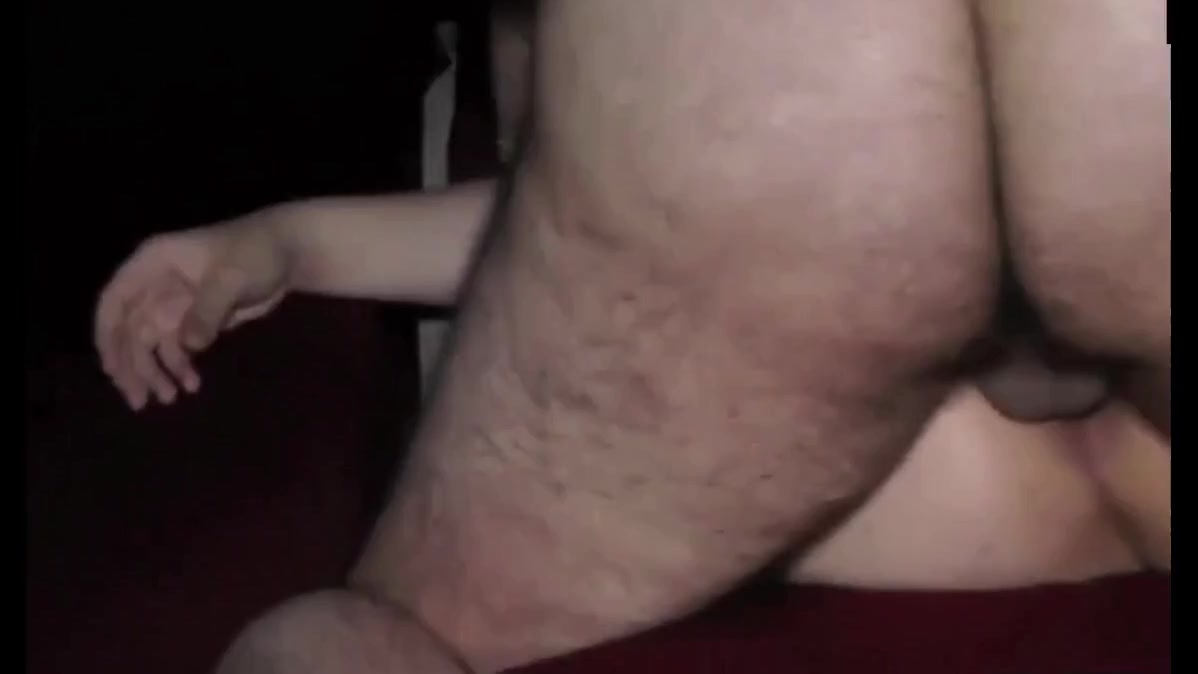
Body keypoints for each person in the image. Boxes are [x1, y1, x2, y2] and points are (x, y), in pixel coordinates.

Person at [95, 0, 1169, 672]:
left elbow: (637, 240)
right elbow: (627, 237)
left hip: (863, 418)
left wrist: (295, 240)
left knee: (327, 645)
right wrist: (296, 242)